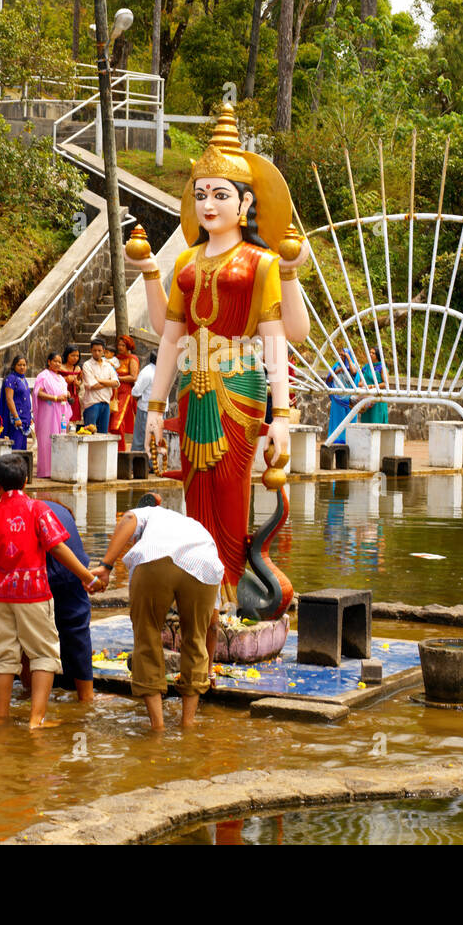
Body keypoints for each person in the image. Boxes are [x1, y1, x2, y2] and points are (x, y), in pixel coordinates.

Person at [128, 106, 310, 614]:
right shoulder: (185, 260)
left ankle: (226, 590)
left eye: (221, 194)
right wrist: (155, 406)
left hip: (241, 385)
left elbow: (278, 338)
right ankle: (195, 584)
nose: (209, 204)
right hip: (193, 386)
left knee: (230, 490)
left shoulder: (262, 261)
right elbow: (169, 337)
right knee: (194, 490)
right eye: (201, 194)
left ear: (246, 202)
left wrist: (281, 416)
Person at [0, 454, 98, 727]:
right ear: (26, 482)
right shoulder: (38, 509)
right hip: (33, 594)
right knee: (43, 655)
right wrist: (86, 576)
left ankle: (1, 720)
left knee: (3, 658)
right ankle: (35, 720)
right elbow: (58, 548)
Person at [90, 497, 223, 730]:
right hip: (203, 564)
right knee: (195, 639)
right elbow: (212, 626)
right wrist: (208, 669)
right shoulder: (196, 529)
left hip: (154, 559)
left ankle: (158, 727)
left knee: (147, 636)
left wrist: (106, 566)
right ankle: (188, 724)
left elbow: (129, 517)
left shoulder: (149, 513)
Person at [37, 492, 100, 701]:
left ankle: (28, 696)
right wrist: (89, 578)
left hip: (30, 577)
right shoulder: (59, 514)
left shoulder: (28, 510)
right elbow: (60, 548)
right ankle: (87, 697)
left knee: (30, 640)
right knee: (76, 630)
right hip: (69, 574)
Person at [31, 351, 72, 478]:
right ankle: (45, 471)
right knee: (47, 440)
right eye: (55, 361)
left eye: (60, 362)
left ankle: (58, 469)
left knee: (60, 439)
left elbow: (63, 392)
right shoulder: (43, 376)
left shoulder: (60, 378)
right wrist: (55, 398)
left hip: (61, 412)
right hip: (47, 413)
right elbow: (39, 393)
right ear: (49, 362)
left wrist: (67, 395)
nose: (58, 364)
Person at [80, 337, 118, 434]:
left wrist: (100, 380)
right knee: (89, 434)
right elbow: (92, 385)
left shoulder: (108, 365)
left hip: (106, 403)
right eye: (94, 350)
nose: (97, 353)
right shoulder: (87, 365)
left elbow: (116, 383)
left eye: (99, 350)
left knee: (103, 435)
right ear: (90, 350)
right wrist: (109, 382)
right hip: (92, 403)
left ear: (103, 351)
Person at [109, 335, 140, 452]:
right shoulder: (115, 358)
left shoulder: (132, 359)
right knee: (110, 422)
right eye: (119, 345)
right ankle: (113, 451)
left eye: (123, 345)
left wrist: (117, 378)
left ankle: (120, 451)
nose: (120, 347)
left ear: (128, 347)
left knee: (117, 422)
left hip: (125, 393)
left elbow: (134, 377)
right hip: (113, 392)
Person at [0, 355, 32, 449]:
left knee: (22, 450)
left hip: (25, 419)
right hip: (16, 420)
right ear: (14, 366)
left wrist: (30, 416)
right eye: (19, 365)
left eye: (24, 365)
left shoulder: (24, 379)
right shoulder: (11, 379)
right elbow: (9, 399)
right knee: (15, 448)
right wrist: (16, 417)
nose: (22, 367)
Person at [326, 350, 360, 445]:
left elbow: (354, 372)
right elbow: (328, 379)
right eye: (340, 354)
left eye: (343, 355)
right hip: (337, 398)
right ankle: (336, 440)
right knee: (336, 420)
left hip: (349, 400)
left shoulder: (353, 366)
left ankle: (349, 440)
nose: (340, 356)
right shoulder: (336, 366)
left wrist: (348, 359)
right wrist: (338, 371)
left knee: (350, 421)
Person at [130, 352, 158, 453]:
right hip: (158, 410)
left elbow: (135, 392)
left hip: (147, 410)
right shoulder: (165, 371)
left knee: (140, 440)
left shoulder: (147, 372)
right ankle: (151, 466)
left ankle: (137, 465)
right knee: (154, 441)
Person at [359, 347, 389, 424]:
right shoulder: (366, 367)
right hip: (366, 398)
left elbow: (385, 383)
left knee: (376, 421)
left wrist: (372, 386)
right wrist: (363, 385)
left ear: (378, 355)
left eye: (373, 353)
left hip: (377, 399)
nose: (370, 354)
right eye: (370, 352)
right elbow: (360, 382)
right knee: (366, 422)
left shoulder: (382, 367)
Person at [61, 347, 83, 425]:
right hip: (63, 395)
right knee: (63, 418)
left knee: (74, 420)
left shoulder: (78, 369)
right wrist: (65, 379)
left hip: (74, 396)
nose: (75, 358)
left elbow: (80, 383)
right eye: (72, 355)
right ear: (67, 355)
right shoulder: (60, 367)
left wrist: (78, 383)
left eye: (77, 356)